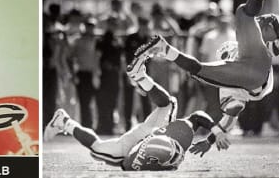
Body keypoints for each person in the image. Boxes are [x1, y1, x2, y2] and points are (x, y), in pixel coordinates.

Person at [130, 0, 279, 148]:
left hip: (253, 71)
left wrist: (211, 139)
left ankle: (165, 49)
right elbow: (232, 114)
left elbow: (231, 115)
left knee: (199, 69)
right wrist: (277, 28)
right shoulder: (230, 73)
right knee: (242, 13)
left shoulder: (229, 73)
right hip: (257, 73)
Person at [44, 60, 226, 171]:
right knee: (168, 103)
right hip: (158, 131)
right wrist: (215, 133)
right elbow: (198, 116)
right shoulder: (180, 134)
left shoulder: (150, 157)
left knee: (99, 150)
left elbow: (130, 165)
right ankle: (141, 76)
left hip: (138, 144)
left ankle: (64, 122)